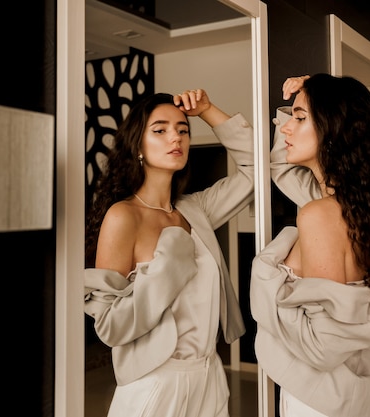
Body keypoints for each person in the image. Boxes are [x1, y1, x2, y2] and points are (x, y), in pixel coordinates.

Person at [250, 73, 370, 417]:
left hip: (319, 402)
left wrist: (267, 284)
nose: (285, 127)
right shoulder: (363, 208)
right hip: (353, 391)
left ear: (336, 128)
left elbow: (320, 347)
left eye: (299, 118)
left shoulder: (319, 214)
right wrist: (307, 96)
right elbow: (279, 167)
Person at [84, 89, 253, 417]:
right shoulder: (123, 216)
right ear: (138, 146)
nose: (174, 137)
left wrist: (206, 110)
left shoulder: (196, 211)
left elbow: (255, 169)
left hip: (209, 374)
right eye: (159, 130)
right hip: (154, 379)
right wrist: (167, 270)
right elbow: (109, 324)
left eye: (183, 129)